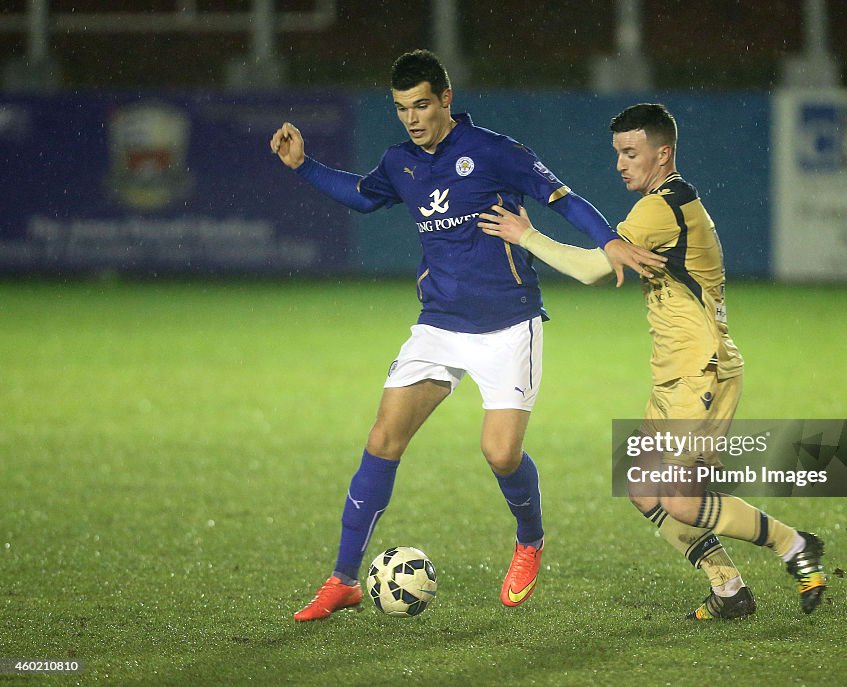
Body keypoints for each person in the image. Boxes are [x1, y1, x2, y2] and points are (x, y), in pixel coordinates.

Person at [270, 50, 665, 621]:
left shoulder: (495, 152)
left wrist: (609, 242)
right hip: (439, 324)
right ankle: (343, 579)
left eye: (422, 104)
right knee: (383, 439)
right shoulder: (399, 163)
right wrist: (304, 165)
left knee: (500, 454)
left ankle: (529, 538)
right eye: (403, 108)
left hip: (510, 324)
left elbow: (565, 199)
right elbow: (362, 195)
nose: (412, 117)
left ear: (446, 99)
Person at [479, 103, 826, 619]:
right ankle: (728, 589)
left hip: (698, 372)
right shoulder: (671, 202)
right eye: (617, 152)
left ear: (662, 154)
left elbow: (595, 270)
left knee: (681, 499)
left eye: (631, 152)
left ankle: (795, 545)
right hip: (678, 373)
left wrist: (525, 236)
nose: (621, 163)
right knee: (643, 486)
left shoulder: (659, 209)